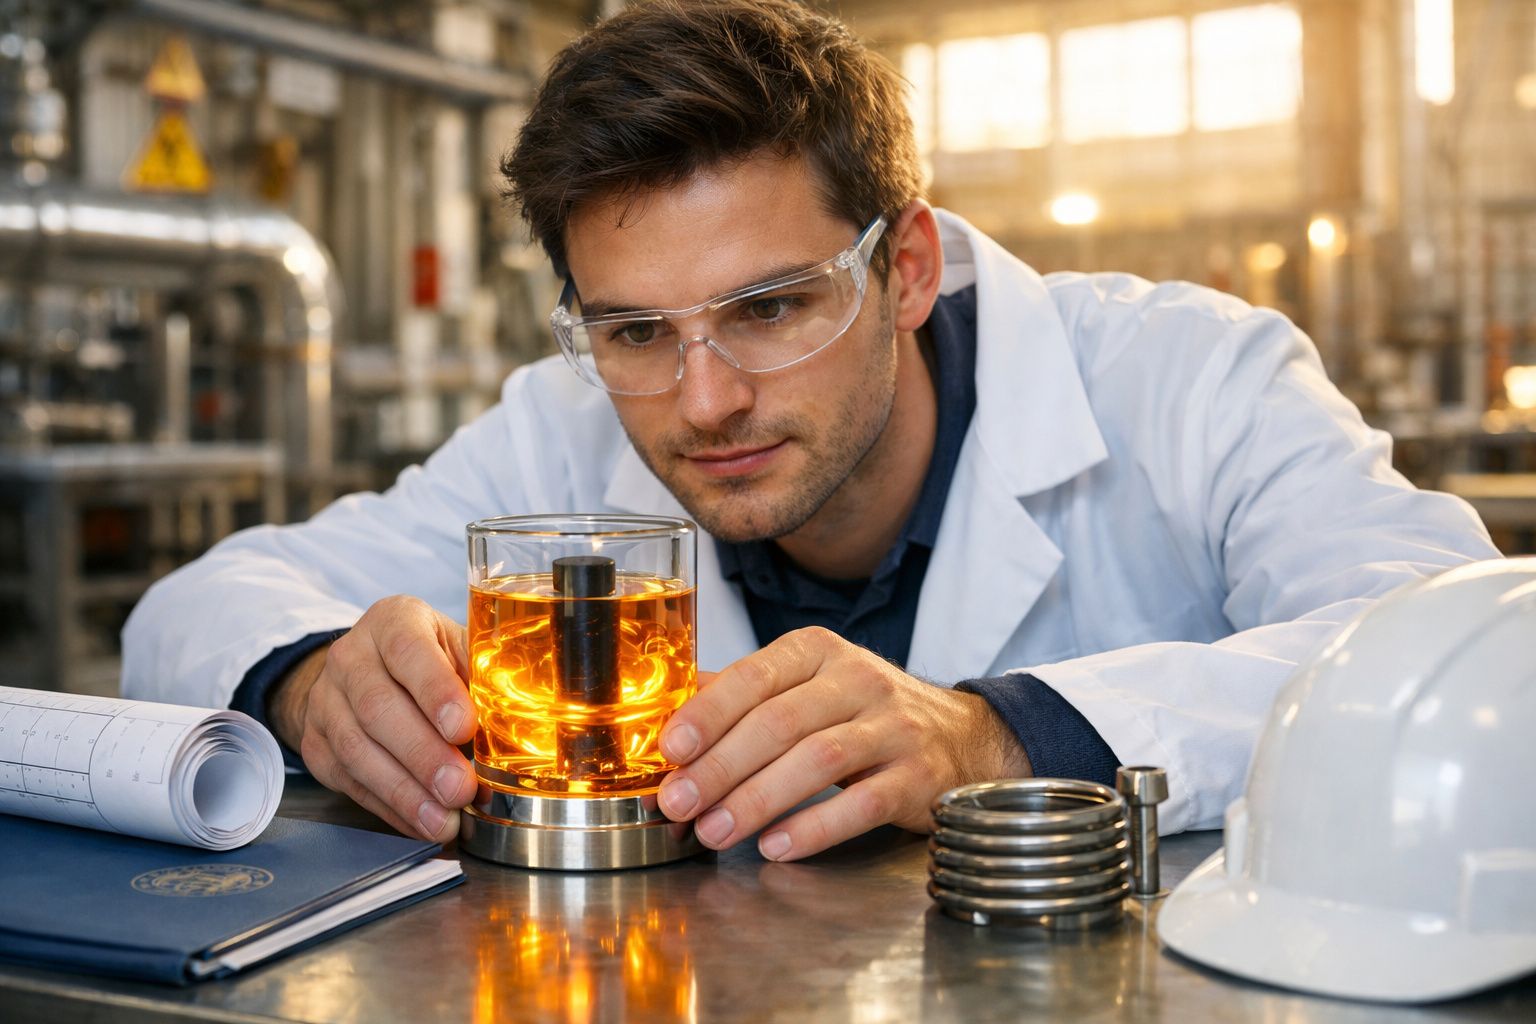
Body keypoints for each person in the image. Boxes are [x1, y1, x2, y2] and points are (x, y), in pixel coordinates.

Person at [122, 0, 1497, 862]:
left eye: (771, 307)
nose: (702, 398)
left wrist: (1000, 739)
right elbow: (195, 604)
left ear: (903, 268)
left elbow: (1472, 660)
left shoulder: (1190, 379)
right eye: (635, 330)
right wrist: (307, 682)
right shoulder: (562, 425)